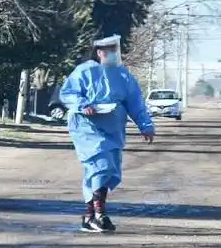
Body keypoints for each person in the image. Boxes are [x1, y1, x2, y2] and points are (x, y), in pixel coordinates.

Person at [59, 34, 155, 233]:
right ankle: (100, 214)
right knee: (99, 166)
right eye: (108, 51)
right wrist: (83, 105)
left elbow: (135, 102)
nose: (112, 55)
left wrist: (145, 125)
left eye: (115, 51)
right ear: (99, 52)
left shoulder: (122, 75)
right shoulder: (83, 71)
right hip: (88, 128)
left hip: (113, 129)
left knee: (106, 170)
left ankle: (89, 216)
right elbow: (68, 93)